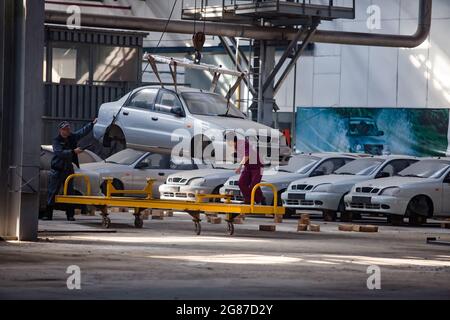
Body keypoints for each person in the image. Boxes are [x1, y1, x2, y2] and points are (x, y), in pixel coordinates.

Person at [42, 119, 97, 221]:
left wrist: (92, 124)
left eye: (68, 129)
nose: (66, 131)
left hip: (68, 170)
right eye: (64, 129)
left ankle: (70, 215)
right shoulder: (56, 140)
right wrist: (73, 152)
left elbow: (82, 132)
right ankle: (48, 215)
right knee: (52, 192)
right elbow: (60, 153)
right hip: (57, 170)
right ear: (60, 130)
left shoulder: (72, 137)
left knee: (70, 193)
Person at [235, 137, 265, 205]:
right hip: (248, 166)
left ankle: (261, 200)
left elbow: (246, 155)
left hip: (257, 166)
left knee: (253, 185)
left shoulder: (243, 144)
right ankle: (248, 200)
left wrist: (239, 167)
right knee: (241, 183)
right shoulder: (235, 146)